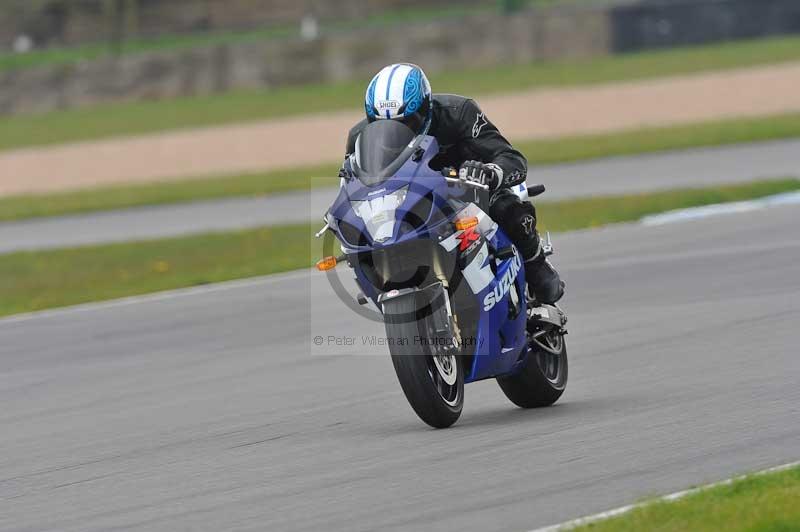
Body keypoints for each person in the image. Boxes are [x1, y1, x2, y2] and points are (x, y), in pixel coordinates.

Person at [343, 63, 564, 304]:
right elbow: (353, 180)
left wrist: (490, 173)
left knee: (507, 209)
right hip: (411, 205)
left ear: (426, 107)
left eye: (407, 122)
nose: (397, 131)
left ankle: (537, 266)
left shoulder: (459, 112)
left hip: (467, 193)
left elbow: (511, 158)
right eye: (382, 125)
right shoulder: (359, 137)